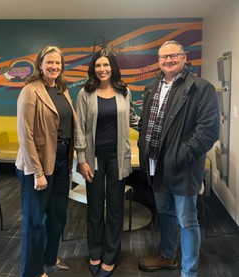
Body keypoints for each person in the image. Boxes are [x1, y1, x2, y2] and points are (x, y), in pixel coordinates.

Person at [137, 40, 220, 277]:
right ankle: (167, 256)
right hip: (156, 166)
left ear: (184, 58)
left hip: (183, 168)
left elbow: (208, 131)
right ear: (158, 62)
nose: (169, 60)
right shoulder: (153, 87)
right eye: (164, 57)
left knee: (187, 220)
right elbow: (147, 124)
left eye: (174, 55)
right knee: (165, 213)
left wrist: (181, 155)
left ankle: (189, 272)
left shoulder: (201, 88)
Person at [75, 47, 139, 277]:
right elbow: (79, 129)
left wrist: (155, 129)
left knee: (114, 209)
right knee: (94, 208)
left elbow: (132, 118)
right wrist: (82, 160)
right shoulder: (85, 93)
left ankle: (110, 256)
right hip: (93, 159)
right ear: (93, 68)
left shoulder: (124, 91)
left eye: (106, 65)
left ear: (113, 67)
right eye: (98, 65)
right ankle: (95, 252)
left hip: (117, 159)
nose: (102, 69)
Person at [15, 45, 76, 277]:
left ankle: (50, 258)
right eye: (49, 62)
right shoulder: (30, 91)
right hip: (37, 165)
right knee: (34, 222)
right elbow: (25, 134)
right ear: (39, 64)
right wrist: (37, 172)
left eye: (58, 63)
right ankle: (32, 271)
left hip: (61, 162)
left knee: (58, 215)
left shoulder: (62, 89)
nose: (54, 67)